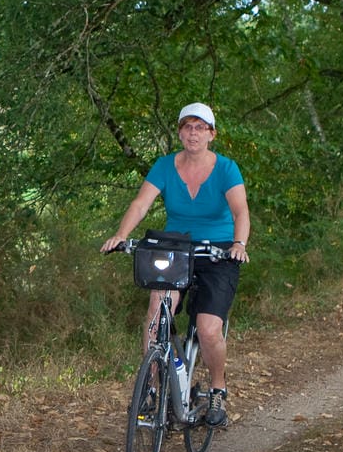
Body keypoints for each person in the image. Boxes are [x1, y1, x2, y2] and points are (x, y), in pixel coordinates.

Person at [102, 102, 251, 428]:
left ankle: (216, 389)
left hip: (218, 252)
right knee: (157, 312)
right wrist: (121, 235)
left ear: (211, 134)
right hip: (177, 248)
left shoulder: (226, 169)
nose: (193, 133)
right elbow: (141, 203)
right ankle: (153, 389)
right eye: (187, 127)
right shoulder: (165, 166)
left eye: (200, 127)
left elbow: (240, 211)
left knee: (209, 327)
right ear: (180, 132)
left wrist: (239, 244)